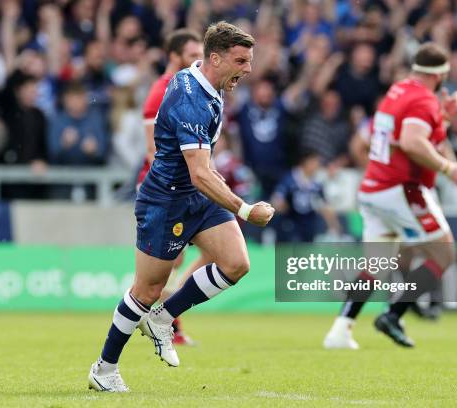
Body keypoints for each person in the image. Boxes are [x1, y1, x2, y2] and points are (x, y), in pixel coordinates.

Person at [88, 21, 274, 392]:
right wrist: (244, 209)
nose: (248, 70)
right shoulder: (191, 101)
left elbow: (202, 171)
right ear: (216, 58)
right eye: (241, 61)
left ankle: (165, 318)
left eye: (249, 61)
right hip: (167, 202)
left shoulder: (198, 79)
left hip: (196, 195)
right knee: (146, 290)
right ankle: (104, 368)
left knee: (236, 264)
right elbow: (200, 173)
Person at [324, 42, 457, 349]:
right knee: (444, 254)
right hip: (402, 188)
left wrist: (442, 118)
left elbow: (404, 135)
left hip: (374, 189)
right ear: (442, 74)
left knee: (377, 265)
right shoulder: (423, 100)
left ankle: (340, 330)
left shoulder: (398, 90)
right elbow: (412, 141)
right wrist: (449, 168)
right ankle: (395, 312)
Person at [136, 28, 207, 346]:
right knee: (165, 266)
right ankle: (163, 321)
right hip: (168, 190)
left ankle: (167, 317)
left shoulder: (189, 87)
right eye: (192, 56)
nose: (197, 62)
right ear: (174, 56)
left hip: (187, 186)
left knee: (216, 254)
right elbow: (153, 152)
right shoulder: (162, 90)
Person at [271, 151, 342, 242]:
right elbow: (277, 199)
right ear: (306, 162)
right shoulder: (290, 179)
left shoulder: (317, 182)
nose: (317, 166)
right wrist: (282, 205)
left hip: (309, 222)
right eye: (314, 162)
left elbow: (325, 206)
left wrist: (334, 227)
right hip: (290, 221)